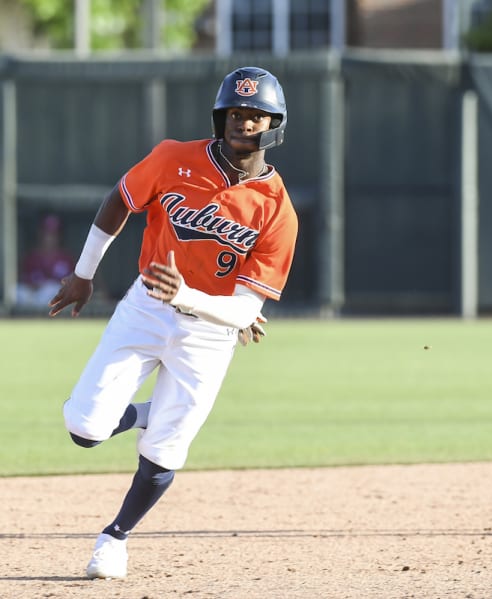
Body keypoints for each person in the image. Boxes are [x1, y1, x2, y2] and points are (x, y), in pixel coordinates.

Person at [49, 66, 298, 578]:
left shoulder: (277, 210)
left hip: (210, 333)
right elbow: (121, 197)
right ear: (219, 116)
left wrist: (198, 300)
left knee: (166, 448)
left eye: (254, 116)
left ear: (273, 125)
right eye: (234, 112)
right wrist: (83, 274)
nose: (242, 123)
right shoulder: (173, 158)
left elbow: (249, 310)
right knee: (84, 427)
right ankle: (141, 413)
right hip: (146, 307)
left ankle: (113, 538)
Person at [16, 214, 76, 309]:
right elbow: (23, 280)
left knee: (50, 289)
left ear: (59, 236)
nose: (49, 237)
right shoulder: (31, 257)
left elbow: (72, 285)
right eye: (46, 233)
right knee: (16, 291)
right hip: (32, 295)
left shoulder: (66, 258)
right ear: (40, 233)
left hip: (53, 295)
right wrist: (36, 286)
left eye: (53, 234)